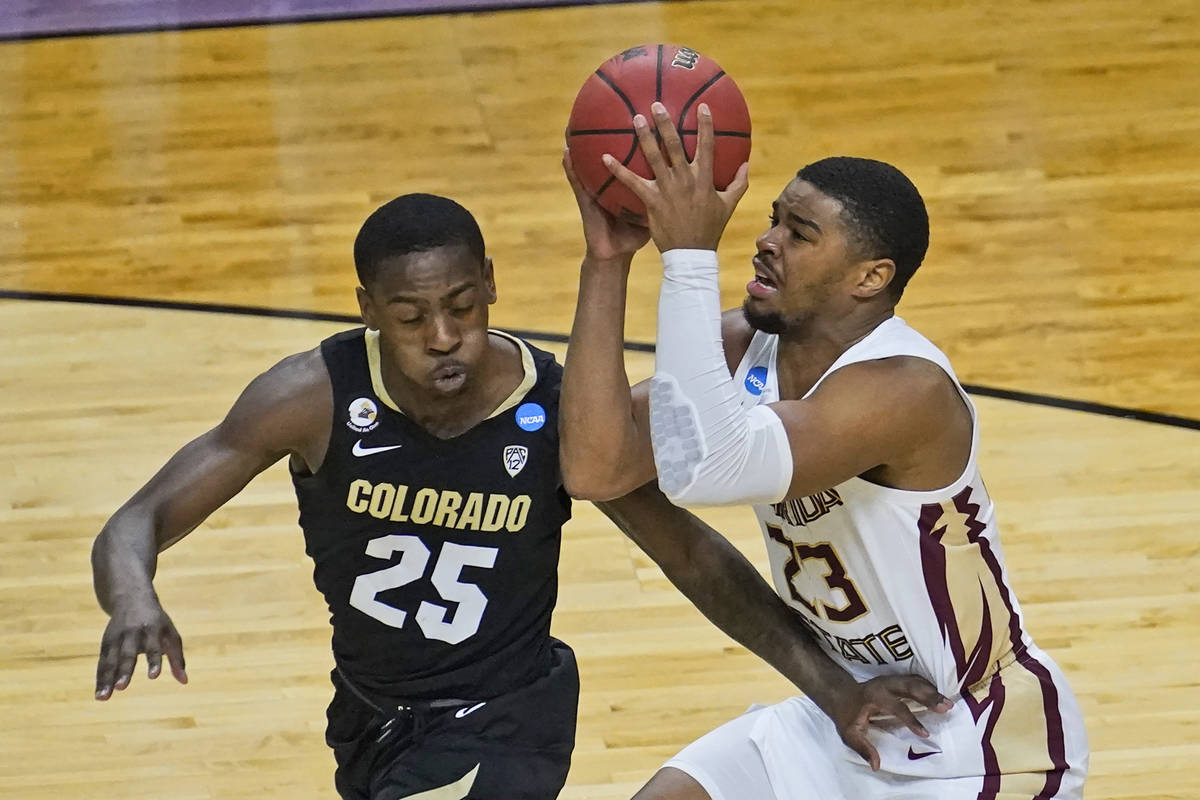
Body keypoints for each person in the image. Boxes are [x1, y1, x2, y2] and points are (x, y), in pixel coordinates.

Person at [559, 101, 1089, 799]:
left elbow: (709, 468)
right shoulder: (744, 347)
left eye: (800, 232)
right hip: (846, 707)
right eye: (774, 216)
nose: (766, 240)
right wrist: (607, 261)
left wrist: (688, 257)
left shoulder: (907, 390)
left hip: (976, 731)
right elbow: (597, 467)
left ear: (869, 277)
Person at [92, 194, 581, 799]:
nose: (443, 336)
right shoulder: (311, 397)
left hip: (509, 719)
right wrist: (134, 597)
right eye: (410, 318)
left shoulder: (556, 407)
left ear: (489, 283)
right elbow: (138, 518)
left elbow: (680, 547)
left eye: (462, 306)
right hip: (368, 714)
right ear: (369, 310)